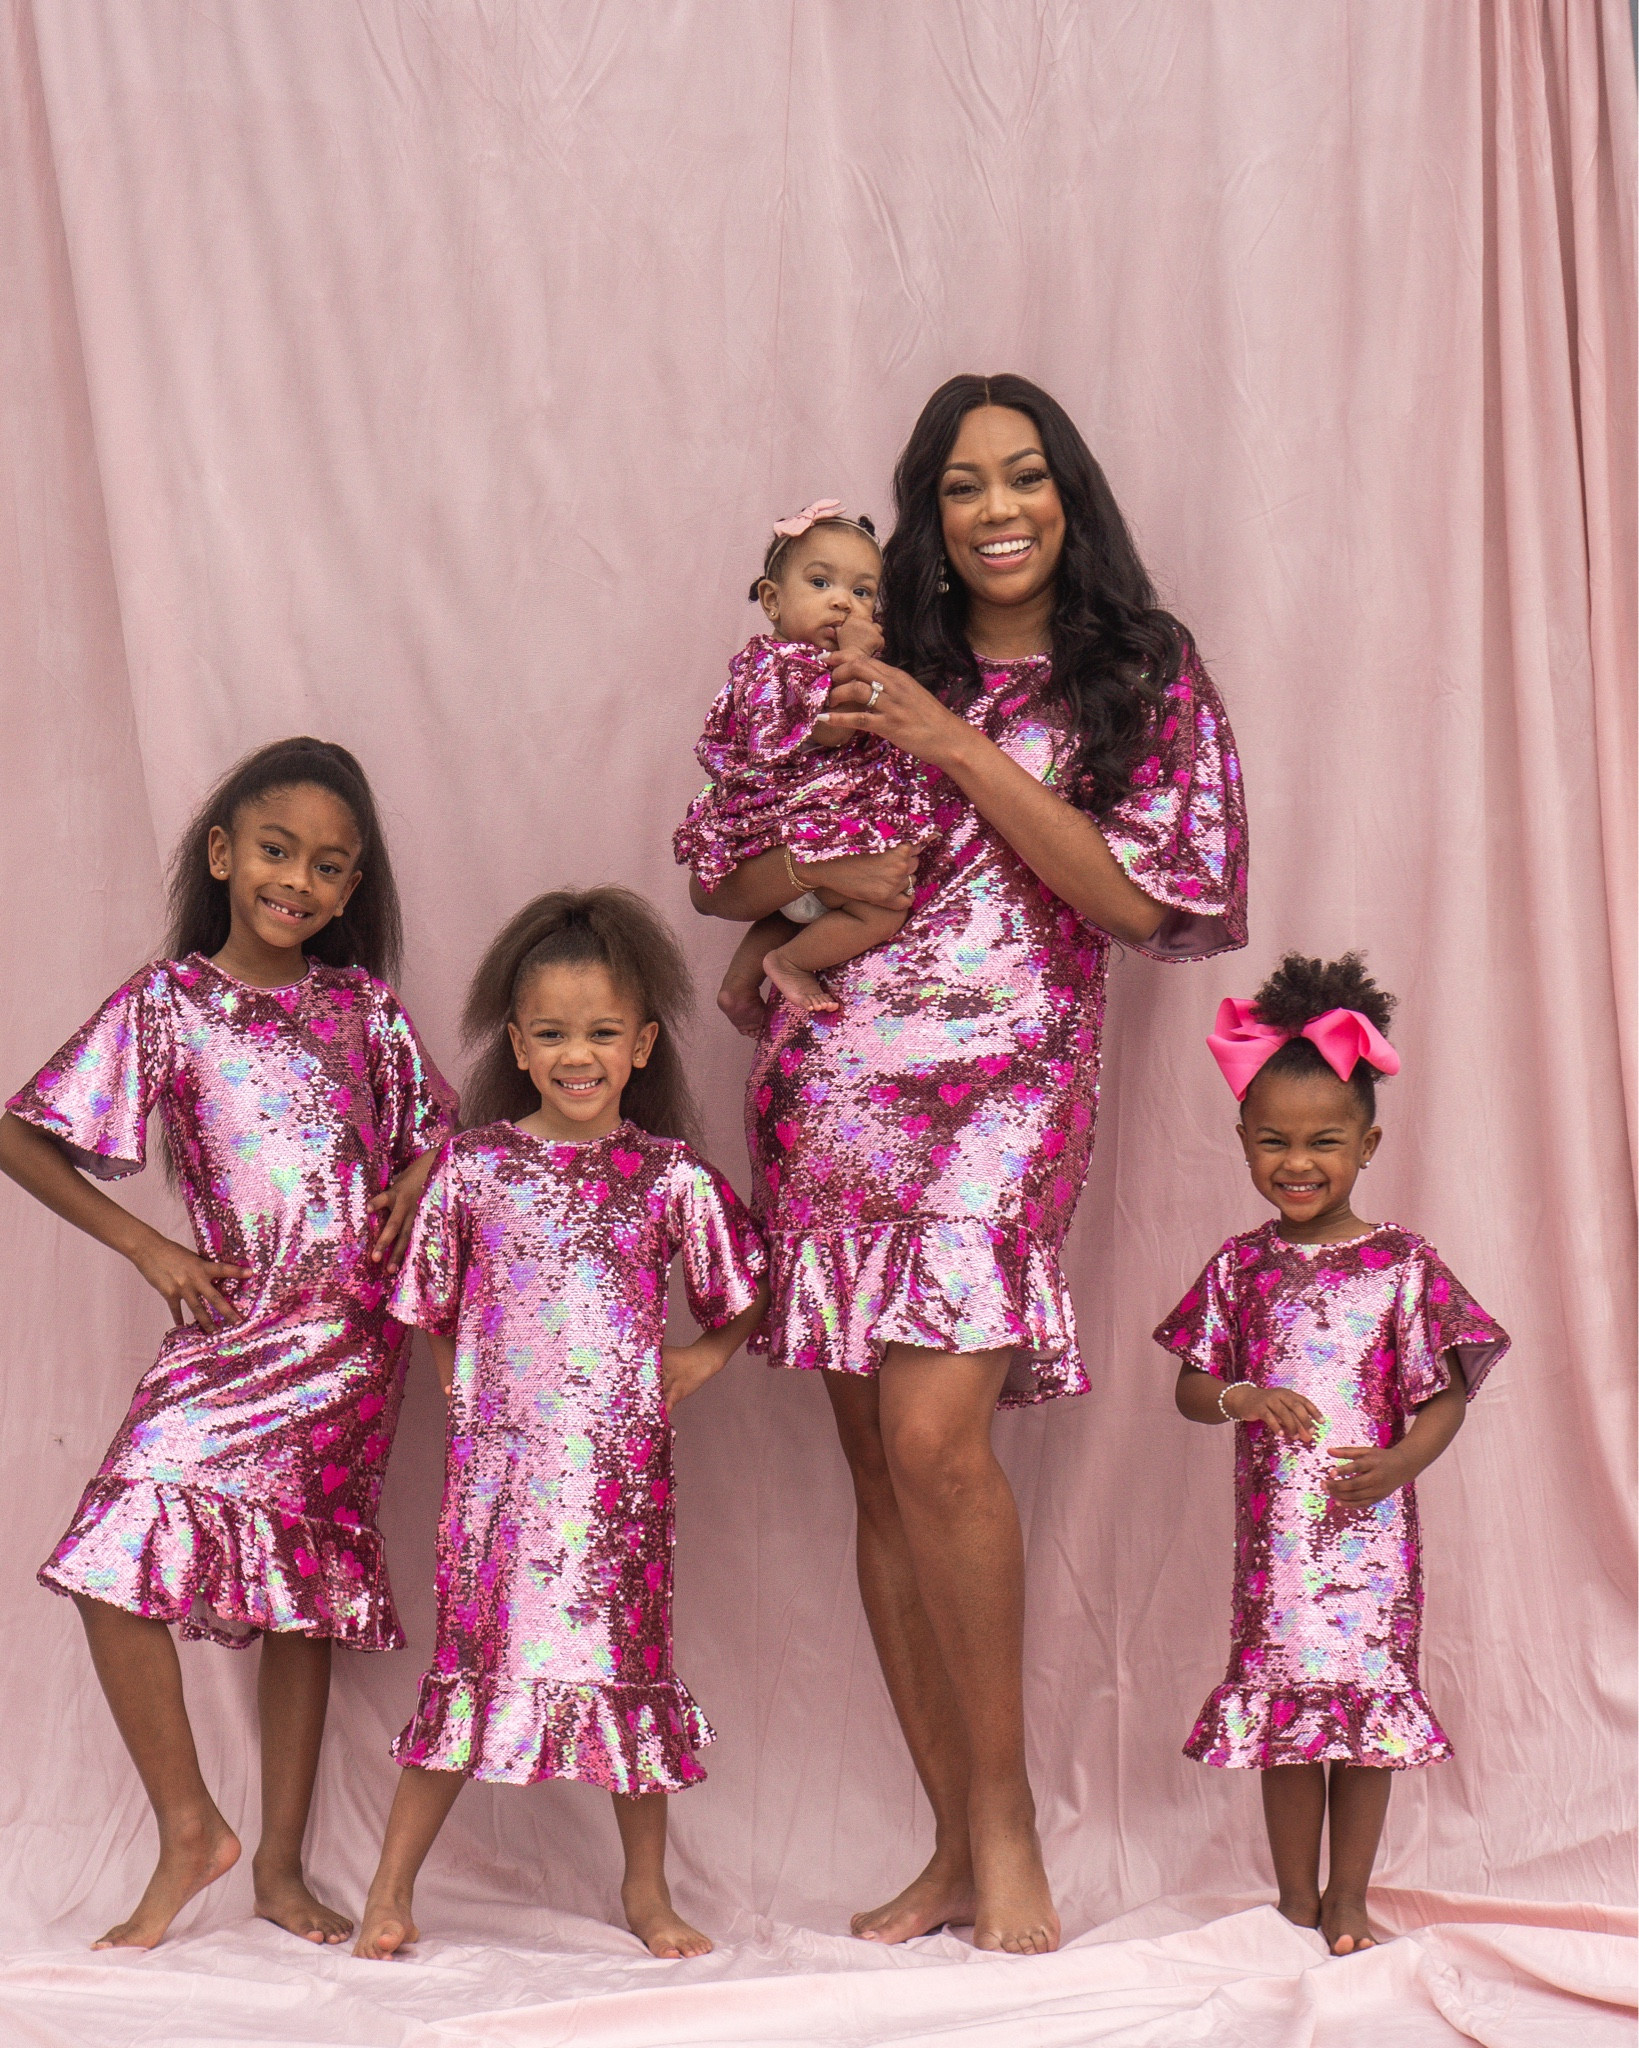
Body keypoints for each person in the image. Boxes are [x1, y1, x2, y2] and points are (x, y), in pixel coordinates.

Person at [690, 374, 1248, 1953]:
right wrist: (801, 896)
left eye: (1022, 478)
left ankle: (1008, 1832)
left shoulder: (1135, 672)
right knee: (879, 1462)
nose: (993, 510)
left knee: (942, 1441)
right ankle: (946, 1841)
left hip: (1006, 1087)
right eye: (956, 486)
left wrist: (953, 745)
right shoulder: (862, 651)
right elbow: (726, 854)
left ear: (1068, 492)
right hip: (836, 1075)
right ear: (922, 511)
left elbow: (1145, 905)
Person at [0, 737, 455, 1951]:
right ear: (222, 855)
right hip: (234, 1324)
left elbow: (443, 1138)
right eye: (274, 850)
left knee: (302, 1596)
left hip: (352, 1335)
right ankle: (190, 1823)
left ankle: (285, 1868)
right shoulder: (167, 1005)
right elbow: (22, 1135)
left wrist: (418, 1171)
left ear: (351, 889)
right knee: (111, 1556)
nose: (296, 878)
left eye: (327, 864)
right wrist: (151, 1249)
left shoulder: (364, 1009)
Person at [354, 888, 768, 1962]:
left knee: (625, 1665)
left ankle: (646, 1891)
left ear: (638, 1045)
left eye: (599, 1032)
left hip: (618, 1485)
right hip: (497, 1484)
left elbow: (750, 1285)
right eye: (551, 1033)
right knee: (471, 1662)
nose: (576, 1053)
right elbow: (432, 1301)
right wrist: (464, 1393)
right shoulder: (475, 1168)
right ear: (519, 1046)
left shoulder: (667, 1176)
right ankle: (390, 1889)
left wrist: (696, 1359)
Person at [1157, 952, 1508, 1954]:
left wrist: (1400, 1463)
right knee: (1281, 1713)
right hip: (1274, 1548)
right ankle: (1292, 1900)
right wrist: (1241, 1393)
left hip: (1370, 1538)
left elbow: (1446, 1392)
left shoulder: (1402, 1264)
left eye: (1322, 1140)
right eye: (1273, 1140)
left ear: (1366, 1143)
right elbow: (1187, 1390)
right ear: (1241, 1141)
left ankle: (1348, 1893)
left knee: (1363, 1722)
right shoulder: (1239, 1265)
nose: (1296, 1161)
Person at [673, 500, 931, 1027]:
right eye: (820, 584)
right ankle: (788, 963)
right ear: (772, 599)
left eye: (861, 592)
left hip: (800, 835)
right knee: (880, 908)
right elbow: (833, 730)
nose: (842, 603)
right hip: (791, 825)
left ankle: (739, 984)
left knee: (794, 908)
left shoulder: (804, 665)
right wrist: (858, 660)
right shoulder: (782, 666)